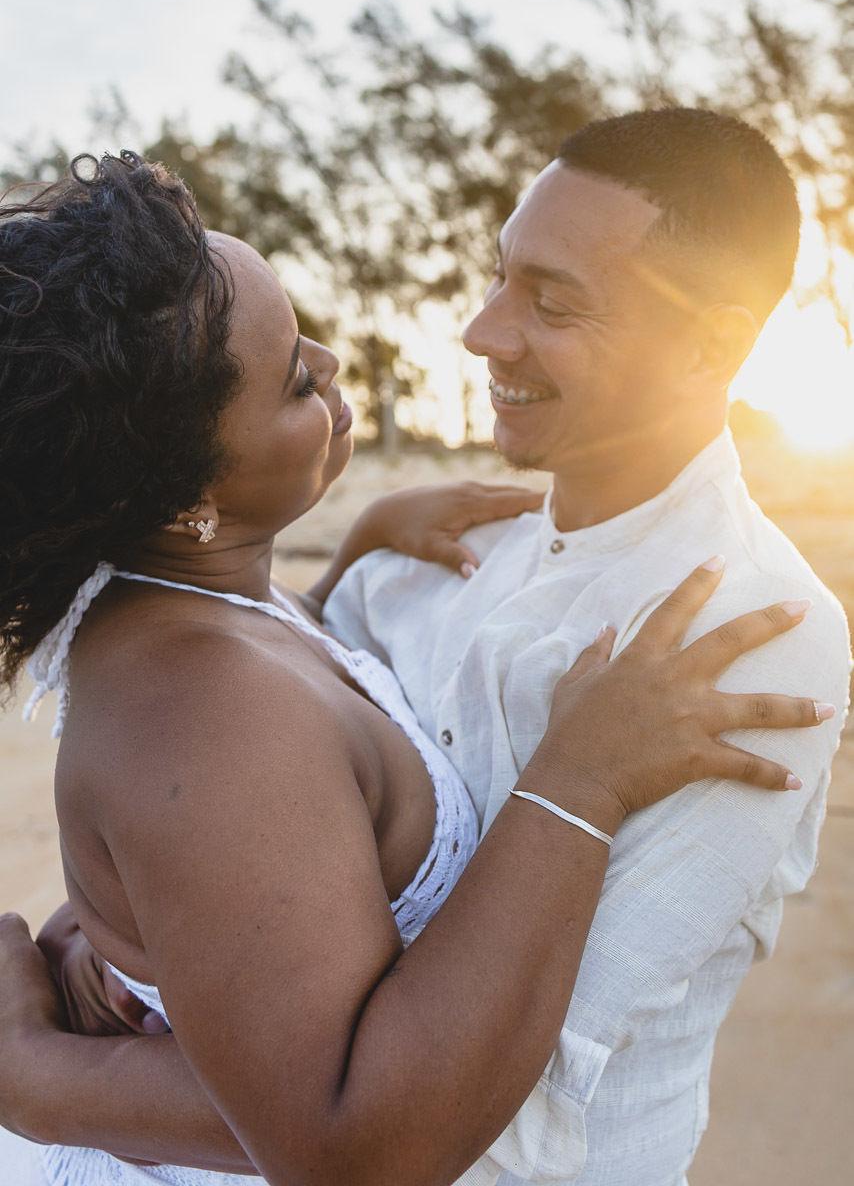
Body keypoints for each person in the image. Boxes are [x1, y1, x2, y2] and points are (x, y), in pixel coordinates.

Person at [0, 149, 826, 1186]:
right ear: (185, 497)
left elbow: (270, 713)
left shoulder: (197, 599)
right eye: (297, 378)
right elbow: (351, 1148)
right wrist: (577, 783)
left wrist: (352, 548)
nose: (336, 362)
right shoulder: (203, 714)